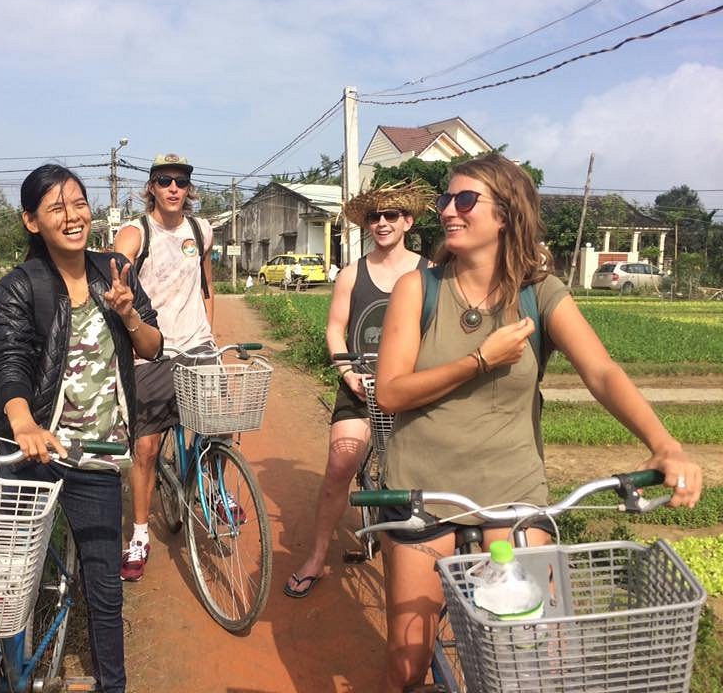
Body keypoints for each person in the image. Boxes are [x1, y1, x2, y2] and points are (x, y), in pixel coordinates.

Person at [374, 152, 703, 691]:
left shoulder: (539, 293)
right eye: (445, 200)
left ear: (505, 215)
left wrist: (664, 443)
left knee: (531, 657)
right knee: (408, 663)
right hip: (423, 490)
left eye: (464, 200)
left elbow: (601, 371)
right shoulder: (420, 287)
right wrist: (480, 360)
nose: (449, 212)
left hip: (513, 489)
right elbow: (390, 392)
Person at [0, 164, 163, 693]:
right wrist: (23, 424)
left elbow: (152, 348)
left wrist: (130, 315)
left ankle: (113, 685)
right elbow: (9, 360)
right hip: (34, 452)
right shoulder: (21, 285)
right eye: (57, 207)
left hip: (96, 456)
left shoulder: (114, 269)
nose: (73, 216)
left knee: (105, 589)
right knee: (6, 579)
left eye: (79, 203)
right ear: (32, 221)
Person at [283, 181, 434, 598]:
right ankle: (316, 559)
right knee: (339, 467)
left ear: (408, 221)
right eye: (374, 217)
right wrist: (347, 370)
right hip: (360, 386)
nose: (381, 223)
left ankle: (423, 564)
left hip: (411, 390)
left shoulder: (430, 273)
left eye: (391, 216)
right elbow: (335, 328)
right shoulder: (352, 273)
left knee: (421, 478)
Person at [114, 153, 217, 582]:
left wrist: (212, 336)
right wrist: (118, 274)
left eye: (181, 182)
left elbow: (208, 285)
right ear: (152, 187)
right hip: (152, 351)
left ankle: (213, 490)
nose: (174, 188)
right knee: (147, 448)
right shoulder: (138, 230)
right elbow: (118, 260)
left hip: (198, 344)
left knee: (220, 424)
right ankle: (139, 534)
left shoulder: (201, 229)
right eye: (165, 181)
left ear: (189, 189)